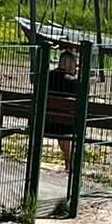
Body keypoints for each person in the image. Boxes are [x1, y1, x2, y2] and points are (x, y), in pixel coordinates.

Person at [45, 43, 79, 173]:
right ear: (70, 64)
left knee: (61, 119)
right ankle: (69, 164)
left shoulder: (46, 77)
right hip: (63, 127)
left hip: (43, 123)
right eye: (75, 65)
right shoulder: (72, 82)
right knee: (66, 125)